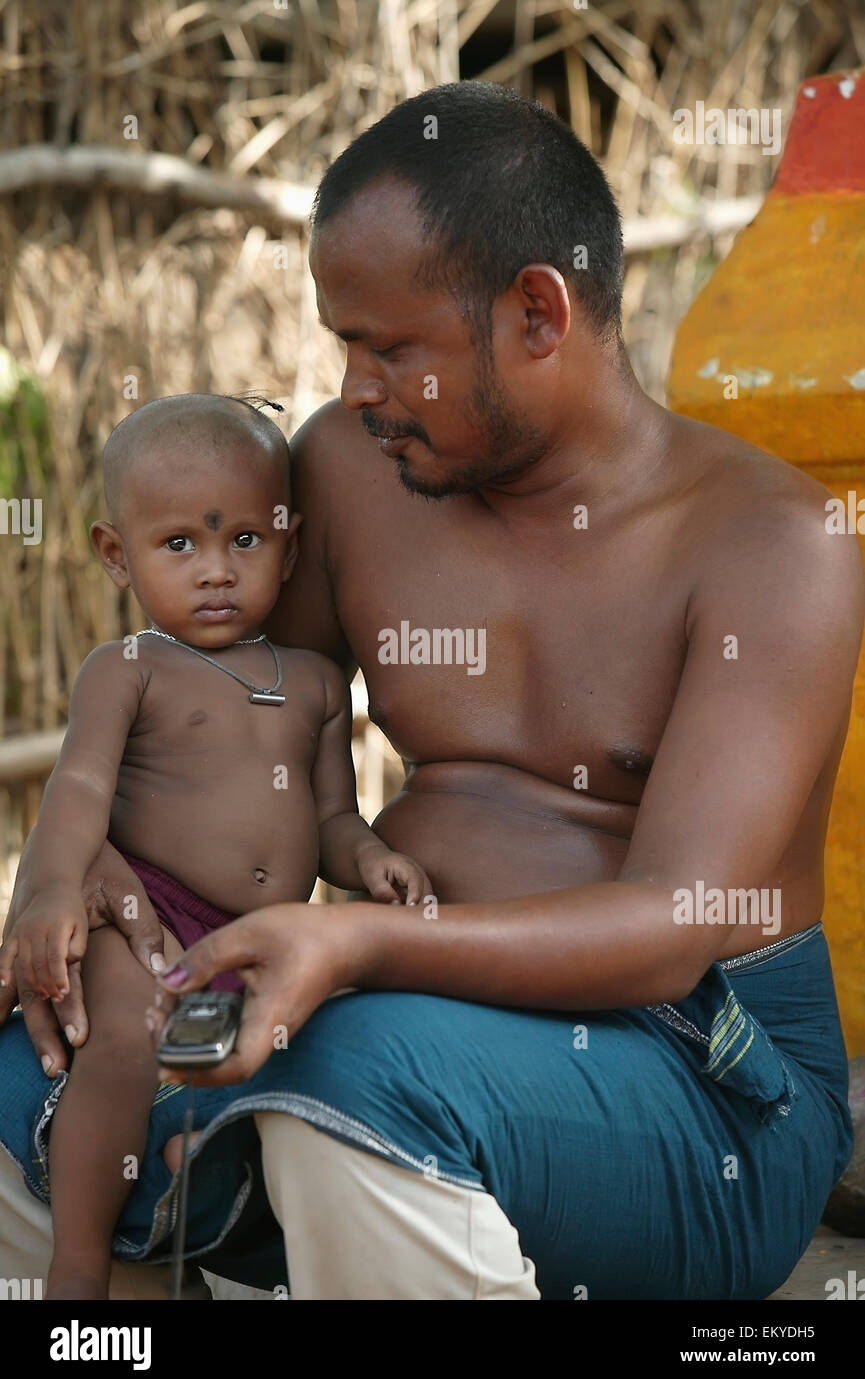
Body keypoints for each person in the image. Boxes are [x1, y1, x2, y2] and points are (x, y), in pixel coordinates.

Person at [1, 81, 862, 1300]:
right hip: (393, 1022)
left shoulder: (773, 543)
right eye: (341, 341)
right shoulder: (353, 472)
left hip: (699, 1081)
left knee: (347, 1074)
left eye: (392, 346)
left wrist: (358, 940)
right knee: (35, 1065)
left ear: (536, 313)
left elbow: (681, 922)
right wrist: (92, 870)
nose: (354, 385)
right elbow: (242, 740)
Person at [0, 392, 430, 1299]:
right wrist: (46, 889)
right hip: (149, 918)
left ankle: (200, 1247)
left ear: (289, 541)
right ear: (116, 555)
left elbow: (332, 822)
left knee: (260, 1071)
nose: (215, 571)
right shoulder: (127, 669)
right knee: (124, 1041)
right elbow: (76, 792)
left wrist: (372, 862)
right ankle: (80, 1256)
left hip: (265, 931)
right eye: (179, 545)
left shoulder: (315, 685)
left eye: (244, 540)